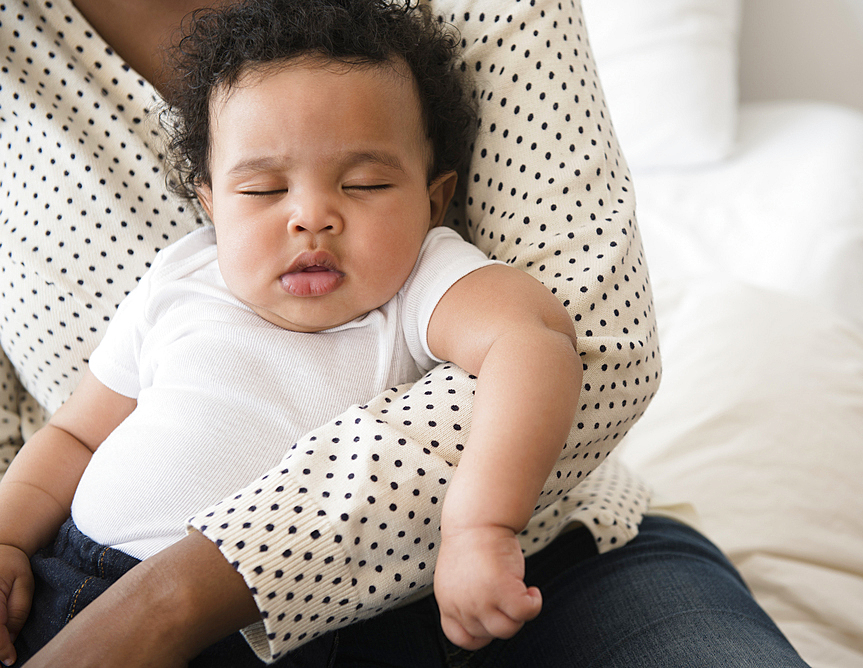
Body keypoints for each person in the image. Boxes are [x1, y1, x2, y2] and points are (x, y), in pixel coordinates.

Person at [0, 0, 811, 666]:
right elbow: (73, 434)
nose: (311, 214)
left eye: (363, 182)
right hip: (67, 574)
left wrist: (478, 526)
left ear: (434, 197)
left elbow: (540, 343)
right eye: (264, 187)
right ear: (210, 205)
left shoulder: (420, 280)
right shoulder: (181, 278)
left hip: (323, 622)